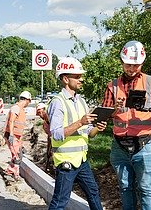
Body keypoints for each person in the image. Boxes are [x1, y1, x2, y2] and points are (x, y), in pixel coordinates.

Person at [102, 40, 151, 210]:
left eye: (136, 65)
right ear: (122, 62)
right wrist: (114, 109)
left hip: (146, 145)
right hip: (119, 146)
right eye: (128, 65)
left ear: (142, 63)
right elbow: (105, 114)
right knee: (125, 188)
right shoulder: (113, 86)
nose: (131, 69)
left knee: (147, 189)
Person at [47, 57, 107, 210]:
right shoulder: (57, 102)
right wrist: (80, 122)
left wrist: (97, 128)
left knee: (93, 192)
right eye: (77, 76)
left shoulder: (81, 101)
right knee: (60, 201)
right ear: (66, 79)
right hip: (66, 162)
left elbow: (89, 133)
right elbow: (55, 133)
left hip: (81, 160)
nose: (81, 79)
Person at [3, 90, 32, 180]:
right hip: (11, 135)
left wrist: (21, 142)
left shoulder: (21, 109)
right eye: (29, 101)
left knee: (17, 155)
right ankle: (15, 174)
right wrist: (11, 135)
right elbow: (11, 121)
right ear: (27, 100)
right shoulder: (16, 108)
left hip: (16, 136)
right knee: (17, 157)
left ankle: (10, 171)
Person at [36, 102, 52, 172]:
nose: (40, 115)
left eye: (40, 112)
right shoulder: (45, 122)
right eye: (38, 113)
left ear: (44, 110)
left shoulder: (51, 118)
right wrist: (48, 149)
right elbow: (49, 136)